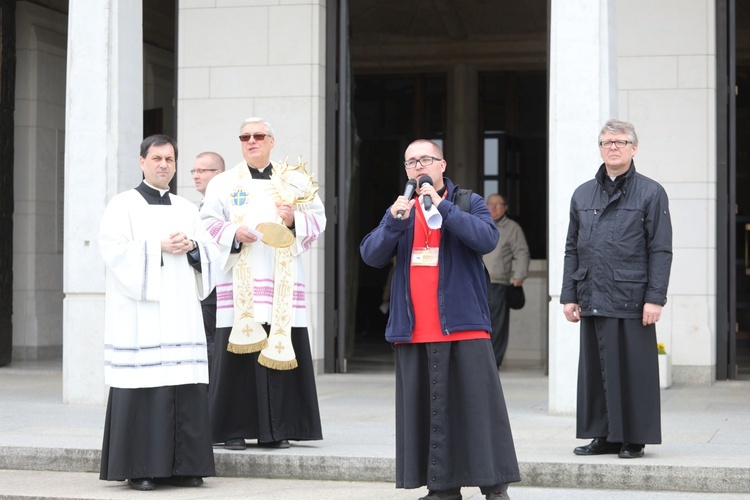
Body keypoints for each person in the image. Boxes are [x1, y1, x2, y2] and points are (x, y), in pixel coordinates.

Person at [360, 139, 520, 500]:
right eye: (411, 162)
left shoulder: (467, 202)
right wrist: (391, 223)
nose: (419, 167)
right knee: (429, 414)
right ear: (406, 170)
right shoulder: (401, 211)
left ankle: (494, 486)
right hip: (415, 330)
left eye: (426, 160)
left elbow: (486, 239)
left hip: (463, 325)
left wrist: (443, 208)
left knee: (478, 411)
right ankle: (443, 488)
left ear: (442, 164)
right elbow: (371, 255)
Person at [98, 134, 218, 491]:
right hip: (142, 316)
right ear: (142, 162)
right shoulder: (123, 205)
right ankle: (142, 467)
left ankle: (187, 466)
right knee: (146, 388)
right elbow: (113, 252)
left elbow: (208, 256)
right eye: (156, 158)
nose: (163, 164)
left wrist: (194, 247)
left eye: (169, 159)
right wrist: (158, 247)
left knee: (184, 386)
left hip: (181, 311)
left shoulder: (186, 208)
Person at [201, 117, 324, 451]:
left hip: (281, 284)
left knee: (280, 346)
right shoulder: (224, 183)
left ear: (272, 140)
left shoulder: (293, 181)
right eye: (245, 137)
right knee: (238, 357)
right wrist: (231, 233)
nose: (251, 141)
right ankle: (233, 430)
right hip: (240, 280)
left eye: (258, 136)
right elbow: (207, 222)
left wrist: (293, 219)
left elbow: (319, 218)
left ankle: (277, 429)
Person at [561, 119, 672, 460]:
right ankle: (603, 435)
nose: (613, 147)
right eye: (607, 142)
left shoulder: (651, 192)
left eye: (620, 142)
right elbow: (571, 248)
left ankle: (633, 438)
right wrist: (568, 294)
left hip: (632, 297)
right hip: (592, 294)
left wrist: (655, 297)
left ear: (633, 149)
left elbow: (660, 249)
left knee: (633, 371)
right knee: (596, 369)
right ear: (600, 148)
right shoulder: (582, 193)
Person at [482, 193, 530, 368]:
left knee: (497, 325)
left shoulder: (512, 228)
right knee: (478, 324)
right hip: (477, 283)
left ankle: (494, 363)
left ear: (506, 207)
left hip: (499, 282)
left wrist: (519, 275)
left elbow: (522, 253)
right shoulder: (480, 223)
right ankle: (480, 361)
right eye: (490, 204)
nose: (493, 208)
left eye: (498, 204)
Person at [191, 151, 225, 375]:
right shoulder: (196, 208)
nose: (195, 176)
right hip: (199, 289)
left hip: (218, 290)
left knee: (213, 347)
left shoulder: (226, 208)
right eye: (194, 171)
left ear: (218, 174)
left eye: (202, 171)